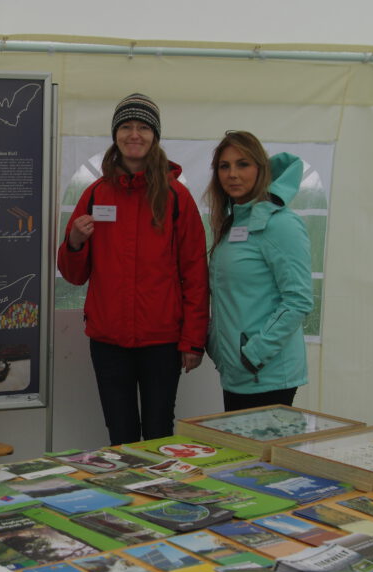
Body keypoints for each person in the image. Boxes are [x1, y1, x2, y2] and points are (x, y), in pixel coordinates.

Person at [57, 93, 208, 446]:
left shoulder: (176, 198)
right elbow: (74, 274)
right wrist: (75, 241)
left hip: (162, 341)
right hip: (109, 341)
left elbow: (195, 273)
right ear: (115, 134)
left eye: (143, 127)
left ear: (155, 136)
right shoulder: (95, 194)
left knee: (158, 433)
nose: (134, 134)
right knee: (121, 435)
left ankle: (160, 499)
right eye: (126, 126)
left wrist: (193, 341)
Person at [205, 130, 313, 411]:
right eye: (224, 166)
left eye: (243, 164)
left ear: (261, 169)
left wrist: (254, 353)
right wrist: (218, 348)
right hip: (237, 373)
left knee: (259, 455)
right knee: (242, 454)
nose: (232, 174)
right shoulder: (231, 225)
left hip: (268, 373)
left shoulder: (281, 224)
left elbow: (298, 299)